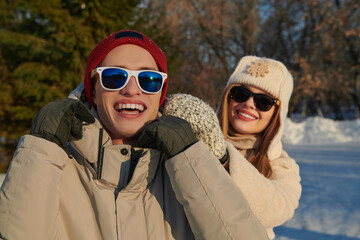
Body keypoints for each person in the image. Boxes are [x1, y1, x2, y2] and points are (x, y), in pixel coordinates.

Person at [0, 30, 268, 240]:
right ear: (93, 88)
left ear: (160, 92)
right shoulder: (55, 165)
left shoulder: (183, 171)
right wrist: (41, 148)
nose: (132, 90)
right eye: (114, 77)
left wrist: (192, 158)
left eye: (148, 79)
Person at [216, 56, 302, 239]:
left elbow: (277, 209)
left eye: (263, 102)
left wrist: (224, 156)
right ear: (227, 97)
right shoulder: (196, 141)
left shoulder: (280, 164)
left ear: (277, 114)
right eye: (240, 94)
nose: (248, 104)